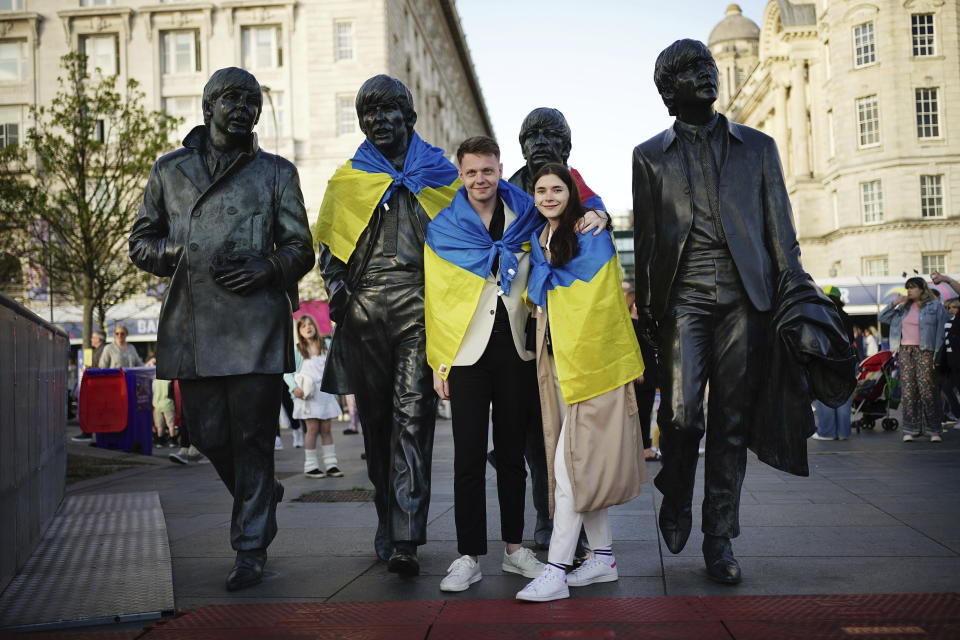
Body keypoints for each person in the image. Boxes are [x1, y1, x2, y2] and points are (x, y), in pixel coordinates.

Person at [632, 39, 854, 585]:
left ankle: (719, 538)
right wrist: (647, 323)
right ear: (669, 91)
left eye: (706, 65)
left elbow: (782, 232)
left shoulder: (758, 148)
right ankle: (676, 488)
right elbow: (646, 243)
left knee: (731, 423)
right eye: (688, 70)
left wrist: (798, 295)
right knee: (683, 416)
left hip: (745, 300)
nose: (704, 74)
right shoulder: (648, 155)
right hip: (683, 300)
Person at [129, 67, 314, 591]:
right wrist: (175, 253)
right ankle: (259, 494)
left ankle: (249, 548)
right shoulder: (170, 171)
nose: (242, 108)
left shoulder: (276, 172)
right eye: (231, 98)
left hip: (255, 321)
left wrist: (271, 267)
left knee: (254, 438)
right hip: (192, 323)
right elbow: (141, 241)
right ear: (208, 106)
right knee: (208, 434)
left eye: (251, 100)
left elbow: (301, 246)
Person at [314, 75, 460, 576]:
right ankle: (387, 512)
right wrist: (340, 300)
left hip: (420, 312)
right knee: (376, 427)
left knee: (413, 419)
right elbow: (330, 253)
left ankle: (406, 535)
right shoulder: (349, 181)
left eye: (387, 110)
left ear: (408, 116)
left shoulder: (442, 176)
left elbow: (475, 227)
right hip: (364, 315)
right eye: (368, 113)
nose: (377, 120)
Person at [516, 164, 646, 602]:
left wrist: (601, 212)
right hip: (559, 364)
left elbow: (592, 298)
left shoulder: (591, 235)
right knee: (577, 464)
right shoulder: (539, 239)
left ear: (572, 195)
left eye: (557, 189)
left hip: (594, 365)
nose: (548, 196)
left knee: (568, 468)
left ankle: (556, 569)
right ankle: (603, 558)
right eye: (541, 190)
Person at [424, 136, 545, 593]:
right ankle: (468, 555)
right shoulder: (444, 228)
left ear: (500, 169)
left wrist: (597, 211)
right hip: (466, 354)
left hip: (516, 349)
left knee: (513, 456)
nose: (480, 179)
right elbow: (435, 301)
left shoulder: (525, 217)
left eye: (488, 170)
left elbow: (568, 205)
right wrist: (439, 364)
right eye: (472, 172)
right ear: (460, 175)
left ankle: (515, 550)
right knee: (468, 457)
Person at [880, 277, 949, 442]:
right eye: (908, 288)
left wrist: (938, 354)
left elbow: (942, 330)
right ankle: (911, 429)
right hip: (905, 351)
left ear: (922, 289)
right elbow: (882, 318)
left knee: (928, 390)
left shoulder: (935, 306)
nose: (909, 291)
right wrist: (894, 303)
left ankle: (933, 430)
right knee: (909, 391)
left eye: (913, 287)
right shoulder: (903, 308)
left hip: (926, 350)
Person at [287, 314, 343, 478]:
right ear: (299, 331)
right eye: (303, 326)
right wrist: (294, 387)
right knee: (312, 429)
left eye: (310, 324)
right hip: (307, 394)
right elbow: (287, 372)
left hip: (324, 393)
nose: (308, 328)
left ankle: (331, 464)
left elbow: (335, 363)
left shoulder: (326, 344)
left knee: (326, 429)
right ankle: (310, 465)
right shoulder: (298, 350)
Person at [811, 286, 854, 441]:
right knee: (843, 395)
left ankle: (827, 432)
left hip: (826, 361)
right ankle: (843, 432)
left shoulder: (820, 315)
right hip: (846, 361)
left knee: (826, 394)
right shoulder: (846, 316)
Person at [624, 282, 661, 460]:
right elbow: (629, 349)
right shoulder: (629, 324)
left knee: (645, 413)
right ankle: (642, 448)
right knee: (637, 413)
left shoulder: (646, 324)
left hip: (649, 375)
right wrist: (636, 370)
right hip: (638, 376)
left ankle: (644, 447)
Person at [152, 377, 178, 447]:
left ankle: (159, 443)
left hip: (156, 405)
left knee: (159, 426)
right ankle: (173, 442)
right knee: (171, 425)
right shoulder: (169, 382)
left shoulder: (154, 382)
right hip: (168, 404)